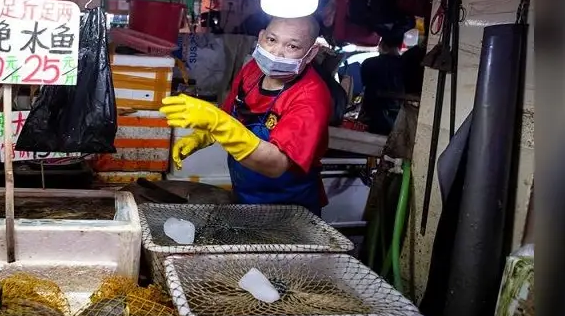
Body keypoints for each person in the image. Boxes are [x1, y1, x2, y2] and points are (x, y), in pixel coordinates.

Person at [160, 15, 332, 216]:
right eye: (272, 40)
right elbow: (231, 115)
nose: (276, 52)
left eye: (292, 47)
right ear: (260, 37)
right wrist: (202, 136)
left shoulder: (311, 97)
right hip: (244, 197)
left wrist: (217, 122)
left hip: (290, 210)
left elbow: (276, 164)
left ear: (311, 54)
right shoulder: (252, 70)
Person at [358, 32, 406, 135]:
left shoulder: (369, 63)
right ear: (401, 46)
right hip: (398, 120)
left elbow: (365, 84)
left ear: (382, 44)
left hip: (371, 117)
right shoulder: (407, 65)